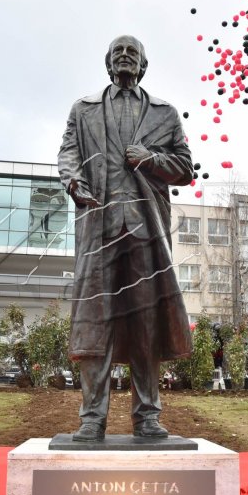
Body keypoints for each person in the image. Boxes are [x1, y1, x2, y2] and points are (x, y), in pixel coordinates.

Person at [58, 35, 193, 441]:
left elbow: (185, 168)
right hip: (98, 229)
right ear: (107, 63)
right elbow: (67, 154)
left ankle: (147, 415)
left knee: (146, 321)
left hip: (144, 231)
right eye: (117, 52)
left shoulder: (165, 114)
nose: (124, 57)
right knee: (93, 321)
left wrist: (150, 159)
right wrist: (74, 183)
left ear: (144, 65)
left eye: (132, 52)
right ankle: (92, 418)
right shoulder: (83, 111)